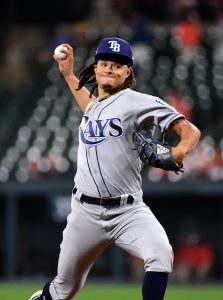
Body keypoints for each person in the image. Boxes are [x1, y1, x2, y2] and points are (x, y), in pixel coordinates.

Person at [29, 37, 201, 300]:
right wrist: (68, 74)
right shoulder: (95, 106)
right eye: (105, 63)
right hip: (84, 212)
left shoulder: (139, 102)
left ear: (127, 71)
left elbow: (190, 132)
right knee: (65, 288)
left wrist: (175, 154)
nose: (110, 68)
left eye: (117, 65)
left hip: (128, 211)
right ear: (96, 67)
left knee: (160, 254)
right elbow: (90, 106)